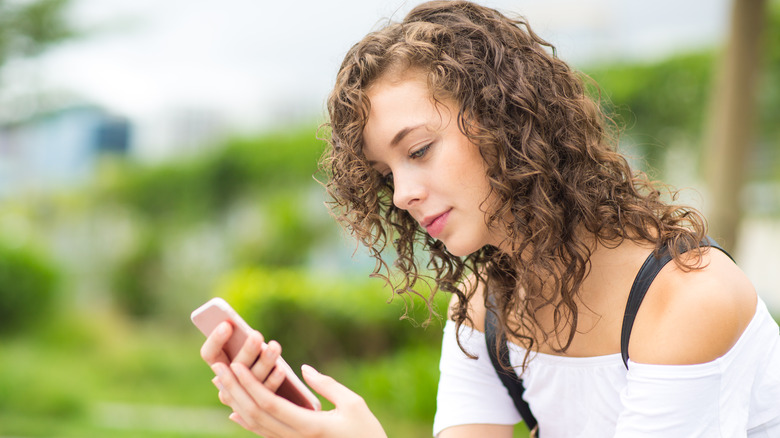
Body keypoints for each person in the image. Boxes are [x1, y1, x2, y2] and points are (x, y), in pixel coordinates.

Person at [200, 1, 780, 436]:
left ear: (508, 120)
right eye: (385, 174)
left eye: (420, 150)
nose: (401, 194)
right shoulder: (485, 309)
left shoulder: (686, 300)